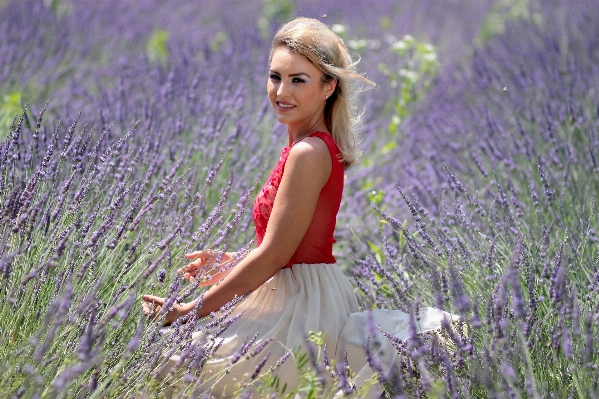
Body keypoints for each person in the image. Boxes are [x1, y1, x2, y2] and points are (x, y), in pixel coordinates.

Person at [142, 17, 451, 397]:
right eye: (275, 77)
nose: (281, 91)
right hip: (299, 291)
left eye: (298, 80)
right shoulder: (304, 146)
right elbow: (291, 245)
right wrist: (231, 260)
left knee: (177, 366)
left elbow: (275, 255)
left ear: (329, 87)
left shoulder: (308, 152)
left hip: (302, 308)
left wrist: (190, 311)